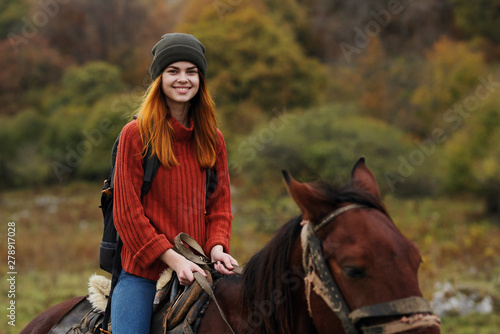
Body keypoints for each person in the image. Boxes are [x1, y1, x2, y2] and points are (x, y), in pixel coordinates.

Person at [111, 33, 238, 333]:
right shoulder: (135, 134)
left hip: (201, 267)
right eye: (173, 71)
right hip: (144, 274)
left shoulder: (213, 138)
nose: (183, 79)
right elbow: (127, 215)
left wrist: (218, 247)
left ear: (201, 79)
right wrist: (173, 260)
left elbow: (219, 205)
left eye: (191, 72)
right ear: (159, 79)